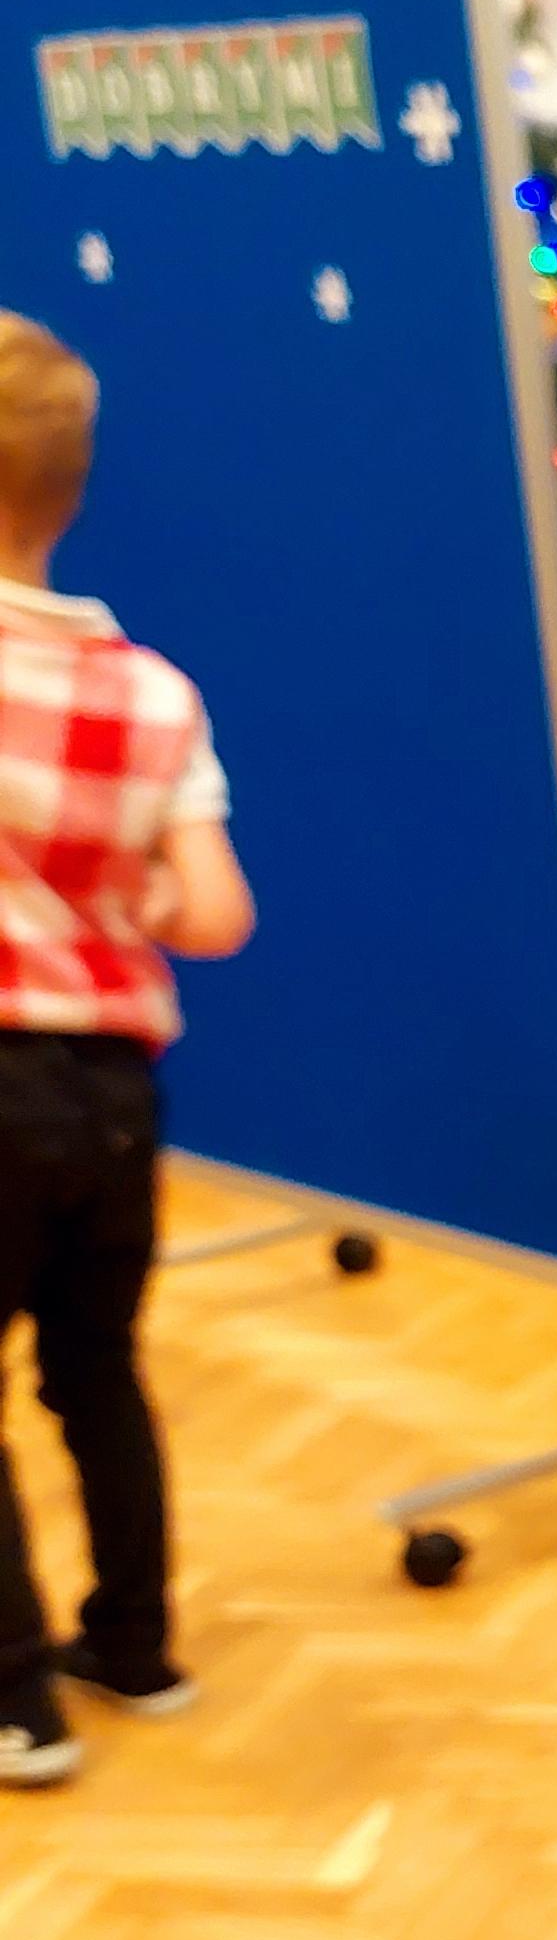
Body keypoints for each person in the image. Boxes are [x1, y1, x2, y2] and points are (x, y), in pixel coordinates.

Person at [0, 313, 253, 1786]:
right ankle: (135, 1644)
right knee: (97, 1368)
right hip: (111, 1093)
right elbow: (214, 913)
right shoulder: (153, 692)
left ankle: (15, 1701)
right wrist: (128, 899)